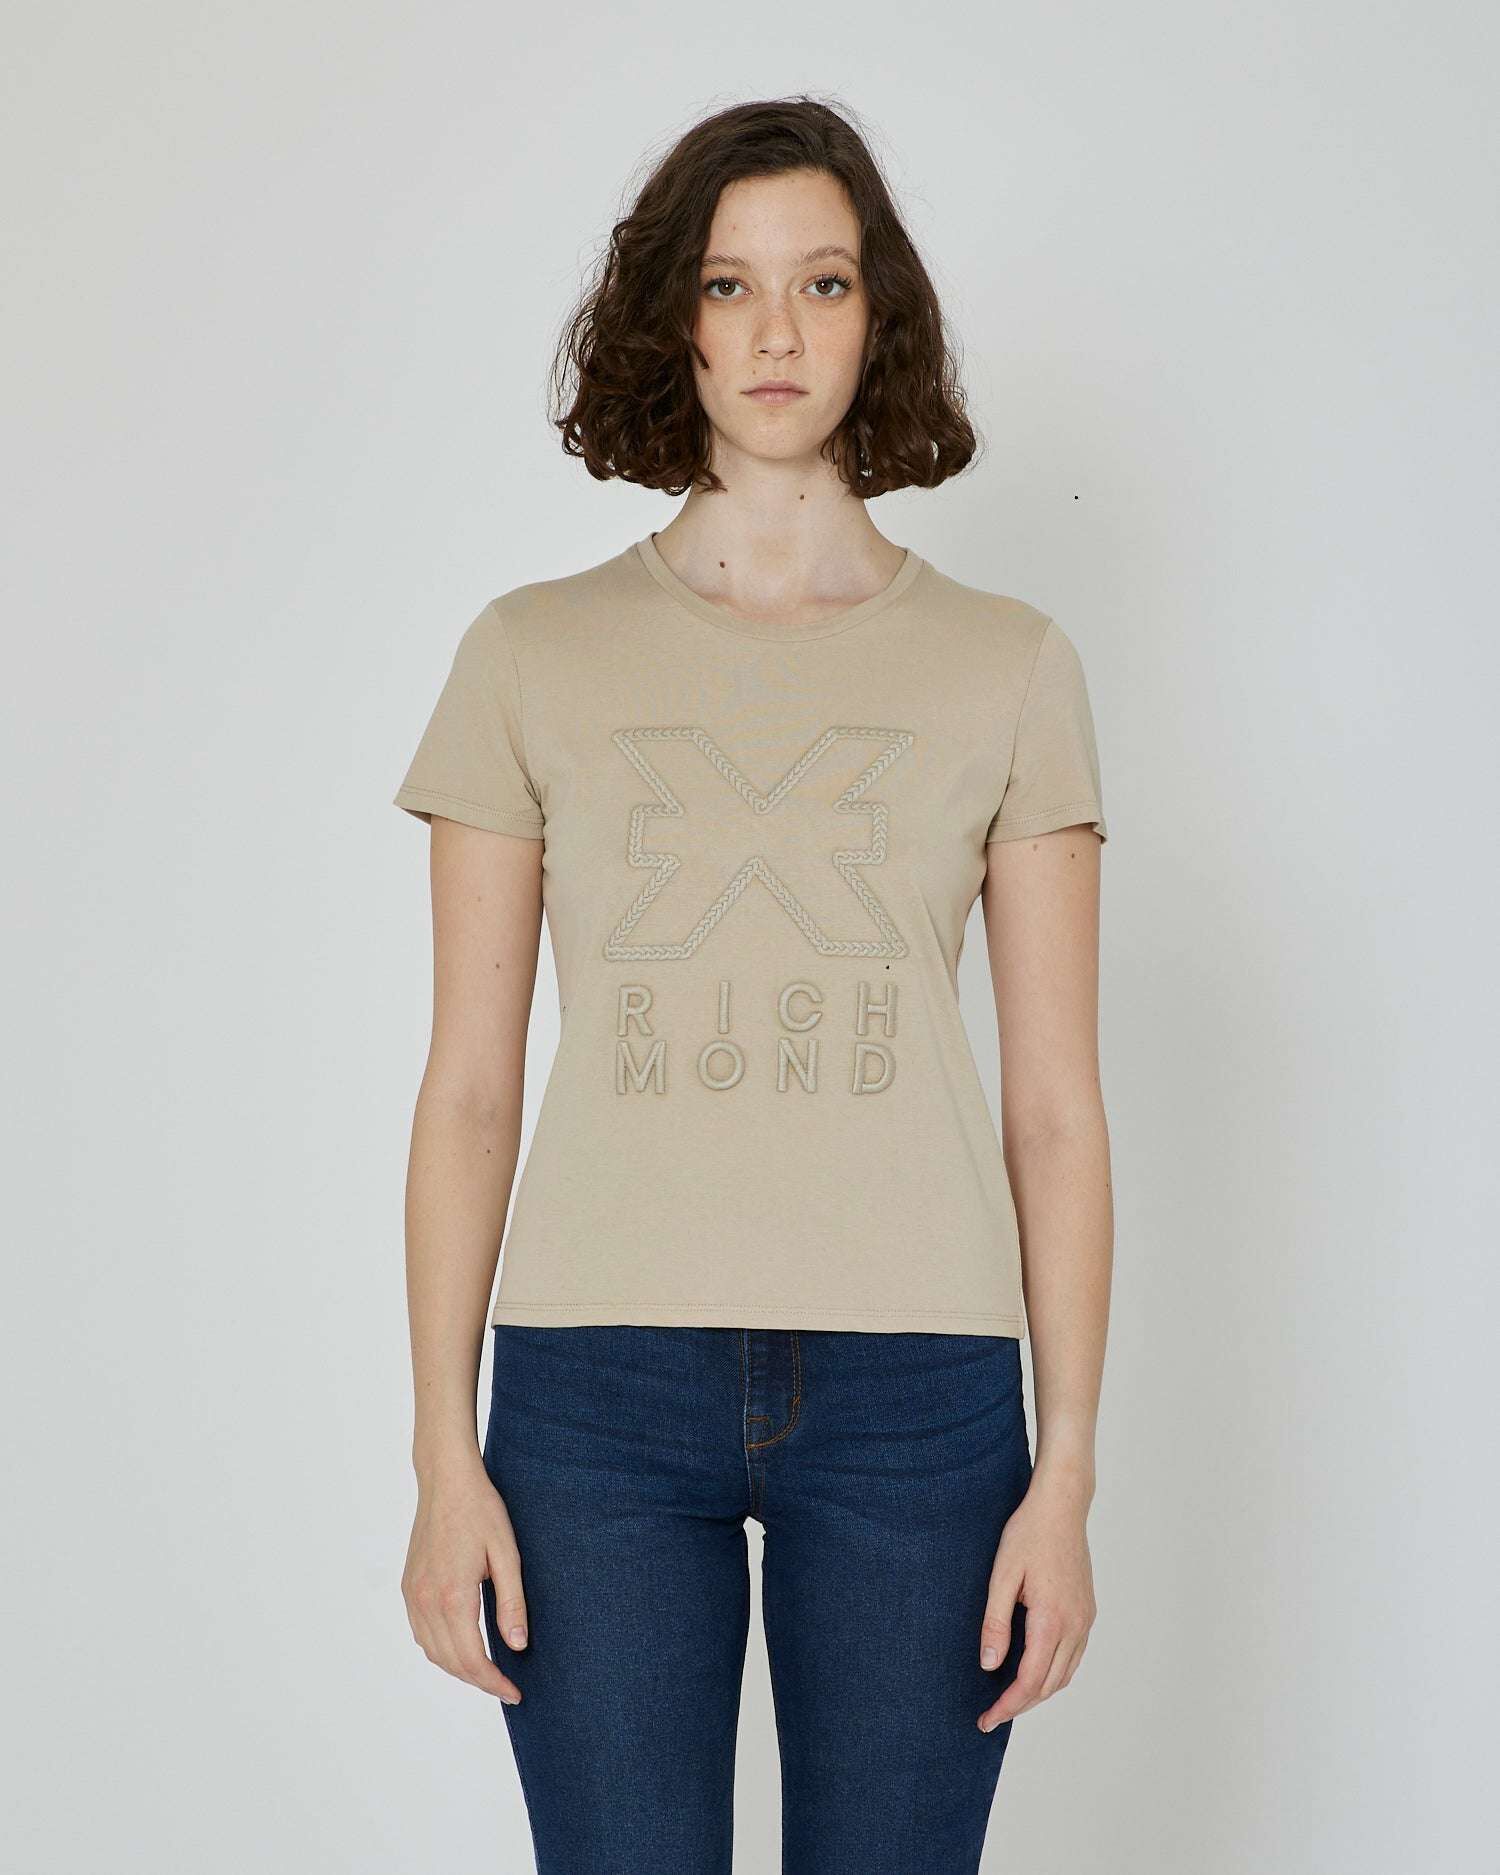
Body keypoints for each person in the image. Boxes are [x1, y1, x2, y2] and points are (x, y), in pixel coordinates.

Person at [392, 96, 1112, 1875]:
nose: (778, 330)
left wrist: (1069, 1473)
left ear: (881, 318)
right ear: (677, 319)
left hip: (923, 1396)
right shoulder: (529, 655)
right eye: (730, 284)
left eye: (824, 282)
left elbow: (1053, 1108)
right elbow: (469, 1088)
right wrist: (440, 1457)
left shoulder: (1009, 667)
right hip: (592, 1398)